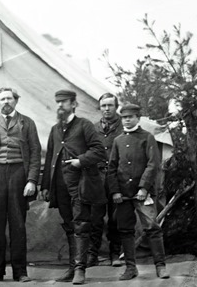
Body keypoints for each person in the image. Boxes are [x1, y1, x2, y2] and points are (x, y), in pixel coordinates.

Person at [40, 90, 106, 284]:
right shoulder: (55, 129)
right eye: (58, 102)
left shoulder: (84, 125)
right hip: (59, 187)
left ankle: (80, 270)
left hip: (80, 184)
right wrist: (45, 186)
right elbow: (50, 157)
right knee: (69, 226)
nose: (60, 106)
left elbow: (99, 151)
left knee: (81, 225)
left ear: (74, 104)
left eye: (64, 102)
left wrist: (81, 161)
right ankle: (71, 268)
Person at [0, 88, 41, 282]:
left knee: (18, 225)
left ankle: (20, 271)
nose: (6, 102)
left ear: (16, 101)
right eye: (2, 99)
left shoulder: (27, 123)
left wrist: (31, 180)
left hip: (18, 174)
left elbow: (35, 153)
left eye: (10, 99)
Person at [107, 103, 170, 280]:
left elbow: (153, 164)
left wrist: (143, 187)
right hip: (123, 194)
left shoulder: (147, 137)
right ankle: (130, 268)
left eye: (130, 117)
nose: (127, 120)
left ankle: (160, 266)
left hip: (143, 194)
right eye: (124, 117)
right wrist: (115, 191)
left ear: (138, 117)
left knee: (152, 227)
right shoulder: (118, 140)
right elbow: (112, 167)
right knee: (125, 229)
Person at [89, 93, 123, 267]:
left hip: (117, 178)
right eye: (103, 106)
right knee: (95, 218)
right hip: (97, 178)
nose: (107, 109)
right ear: (99, 107)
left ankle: (115, 254)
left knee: (116, 218)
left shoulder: (124, 127)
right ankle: (92, 254)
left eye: (110, 105)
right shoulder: (93, 128)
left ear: (116, 107)